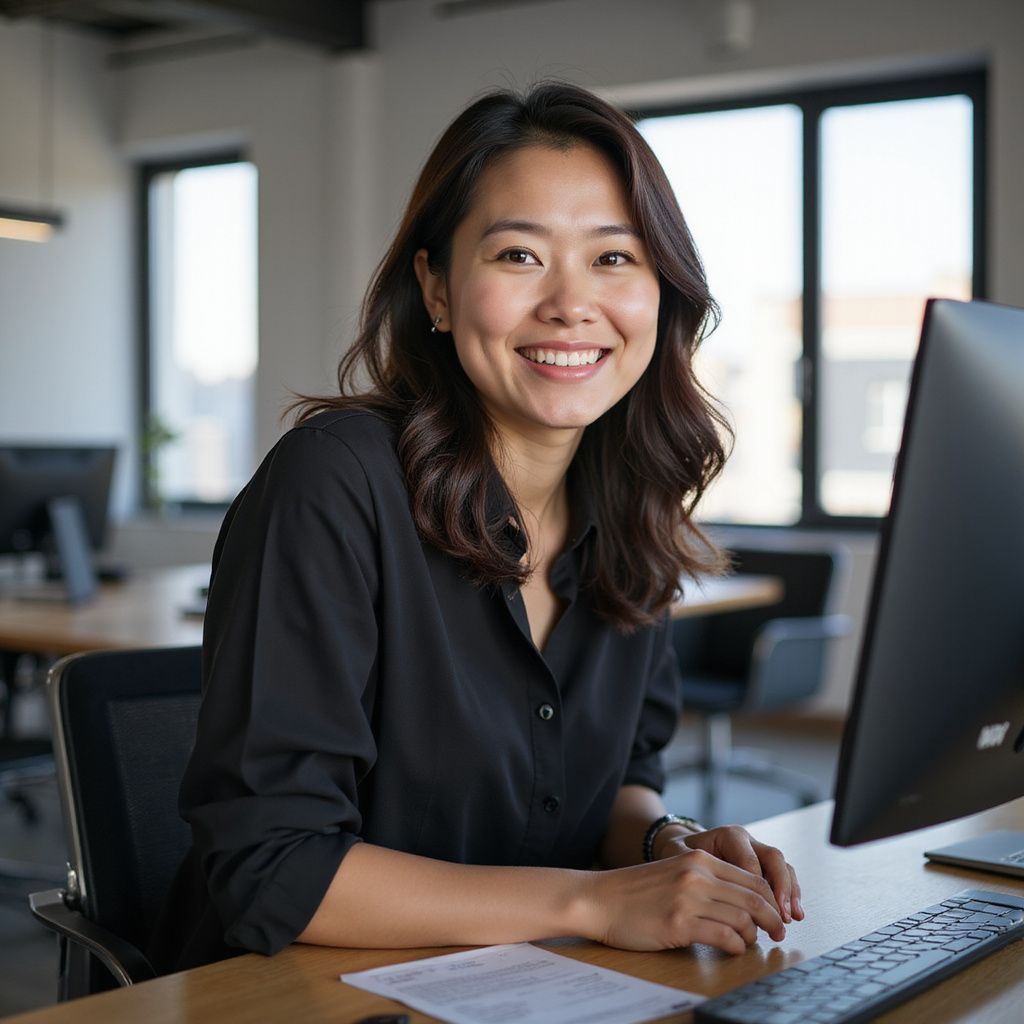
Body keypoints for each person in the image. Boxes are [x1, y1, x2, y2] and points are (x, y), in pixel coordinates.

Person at [149, 81, 803, 974]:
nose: (572, 303)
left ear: (663, 293)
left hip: (524, 987)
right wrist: (595, 901)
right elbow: (273, 867)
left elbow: (617, 784)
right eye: (519, 255)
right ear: (438, 288)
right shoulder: (334, 484)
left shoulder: (630, 507)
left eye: (615, 258)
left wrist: (666, 847)